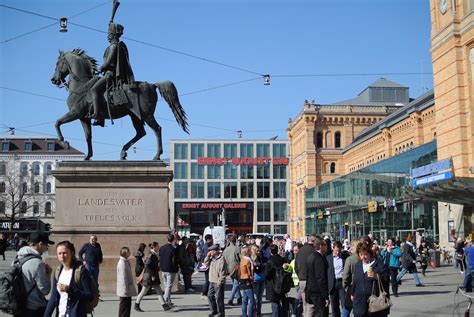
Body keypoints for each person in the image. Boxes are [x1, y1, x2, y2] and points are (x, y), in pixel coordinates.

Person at [89, 22, 135, 127]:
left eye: (109, 34)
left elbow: (108, 62)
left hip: (110, 75)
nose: (107, 37)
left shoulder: (114, 46)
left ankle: (97, 115)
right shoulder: (114, 46)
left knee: (94, 90)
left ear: (114, 35)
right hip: (108, 74)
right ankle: (101, 116)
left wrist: (99, 69)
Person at [44, 240, 94, 317]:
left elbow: (89, 295)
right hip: (61, 314)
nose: (62, 256)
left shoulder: (80, 271)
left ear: (72, 253)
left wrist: (70, 290)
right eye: (59, 253)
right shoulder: (58, 272)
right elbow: (53, 298)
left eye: (65, 253)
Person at [16, 232, 53, 317]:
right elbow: (45, 290)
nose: (46, 248)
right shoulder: (37, 263)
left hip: (18, 304)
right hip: (34, 308)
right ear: (40, 244)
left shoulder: (18, 257)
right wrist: (49, 274)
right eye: (46, 245)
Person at [351, 242, 390, 317]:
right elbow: (355, 281)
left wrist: (376, 276)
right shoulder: (358, 265)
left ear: (369, 253)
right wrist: (352, 293)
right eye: (361, 255)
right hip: (360, 304)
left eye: (365, 254)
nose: (363, 257)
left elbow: (386, 279)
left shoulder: (379, 264)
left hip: (375, 305)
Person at [134, 242, 170, 312]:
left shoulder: (153, 254)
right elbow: (147, 265)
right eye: (157, 246)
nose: (158, 248)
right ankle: (136, 304)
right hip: (150, 276)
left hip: (152, 276)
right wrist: (153, 275)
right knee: (143, 291)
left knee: (159, 290)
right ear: (154, 247)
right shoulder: (151, 254)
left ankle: (164, 306)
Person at [305, 235, 329, 317]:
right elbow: (321, 278)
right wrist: (325, 295)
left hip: (311, 290)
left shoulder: (311, 256)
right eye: (325, 245)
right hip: (318, 292)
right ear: (321, 246)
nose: (327, 247)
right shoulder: (318, 258)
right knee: (321, 313)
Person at [265, 244, 289, 317]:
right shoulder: (282, 259)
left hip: (273, 284)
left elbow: (267, 275)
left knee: (275, 303)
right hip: (282, 284)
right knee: (281, 302)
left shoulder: (269, 261)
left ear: (270, 251)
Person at [295, 234, 316, 317]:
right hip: (310, 280)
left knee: (305, 303)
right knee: (311, 305)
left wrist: (300, 275)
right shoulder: (313, 251)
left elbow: (296, 267)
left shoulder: (300, 251)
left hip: (302, 279)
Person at [204, 245, 227, 317]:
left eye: (211, 251)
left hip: (218, 281)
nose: (210, 252)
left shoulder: (221, 259)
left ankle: (221, 313)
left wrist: (221, 281)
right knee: (210, 295)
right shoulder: (212, 258)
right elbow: (206, 264)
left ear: (215, 251)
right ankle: (214, 310)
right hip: (211, 280)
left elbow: (222, 271)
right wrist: (208, 257)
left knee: (219, 298)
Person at [327, 241, 347, 317]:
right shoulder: (328, 258)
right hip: (333, 283)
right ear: (333, 249)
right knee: (334, 305)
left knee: (344, 304)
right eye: (336, 251)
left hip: (342, 283)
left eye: (339, 250)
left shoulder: (345, 257)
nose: (338, 252)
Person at [159, 233, 179, 307]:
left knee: (165, 285)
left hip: (163, 269)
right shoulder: (173, 249)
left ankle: (168, 301)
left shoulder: (162, 248)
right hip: (170, 269)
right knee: (169, 286)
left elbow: (160, 257)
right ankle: (165, 301)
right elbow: (174, 260)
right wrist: (175, 268)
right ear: (173, 239)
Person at [342, 240, 361, 317]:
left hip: (351, 286)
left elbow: (345, 275)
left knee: (346, 309)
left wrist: (345, 286)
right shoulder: (362, 258)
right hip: (361, 286)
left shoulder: (350, 259)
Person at [117, 247, 137, 317]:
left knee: (126, 307)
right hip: (125, 290)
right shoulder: (122, 263)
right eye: (129, 251)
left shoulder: (125, 261)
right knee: (124, 307)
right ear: (125, 253)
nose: (130, 252)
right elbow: (123, 278)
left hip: (127, 289)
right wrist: (125, 290)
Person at [285, 243, 303, 317]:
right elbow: (290, 269)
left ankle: (295, 314)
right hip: (296, 284)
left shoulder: (303, 260)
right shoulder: (294, 261)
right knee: (300, 301)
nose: (294, 252)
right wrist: (286, 267)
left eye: (296, 250)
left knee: (299, 300)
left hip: (302, 283)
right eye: (294, 250)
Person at [223, 234, 241, 306]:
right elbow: (241, 258)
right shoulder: (237, 248)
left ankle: (239, 298)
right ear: (235, 240)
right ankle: (230, 299)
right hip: (236, 268)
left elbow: (224, 260)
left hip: (229, 268)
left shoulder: (225, 250)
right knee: (236, 284)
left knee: (235, 283)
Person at [239, 246, 254, 317]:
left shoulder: (242, 260)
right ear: (247, 252)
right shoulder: (248, 260)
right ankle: (250, 315)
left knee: (244, 300)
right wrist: (252, 281)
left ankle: (244, 315)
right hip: (247, 280)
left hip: (242, 280)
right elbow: (250, 272)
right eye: (249, 251)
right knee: (251, 300)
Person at [251, 245, 266, 317]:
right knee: (255, 298)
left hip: (262, 279)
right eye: (257, 251)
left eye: (259, 250)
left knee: (260, 299)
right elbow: (256, 269)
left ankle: (258, 313)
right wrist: (261, 266)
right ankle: (254, 313)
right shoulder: (252, 258)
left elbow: (261, 267)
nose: (259, 252)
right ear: (253, 251)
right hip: (255, 280)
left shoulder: (260, 257)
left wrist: (261, 266)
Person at [200, 234, 214, 300]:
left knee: (208, 280)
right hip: (206, 265)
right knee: (207, 280)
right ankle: (204, 293)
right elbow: (207, 256)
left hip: (207, 265)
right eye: (211, 238)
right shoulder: (206, 247)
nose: (212, 240)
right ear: (208, 240)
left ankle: (206, 293)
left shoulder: (207, 245)